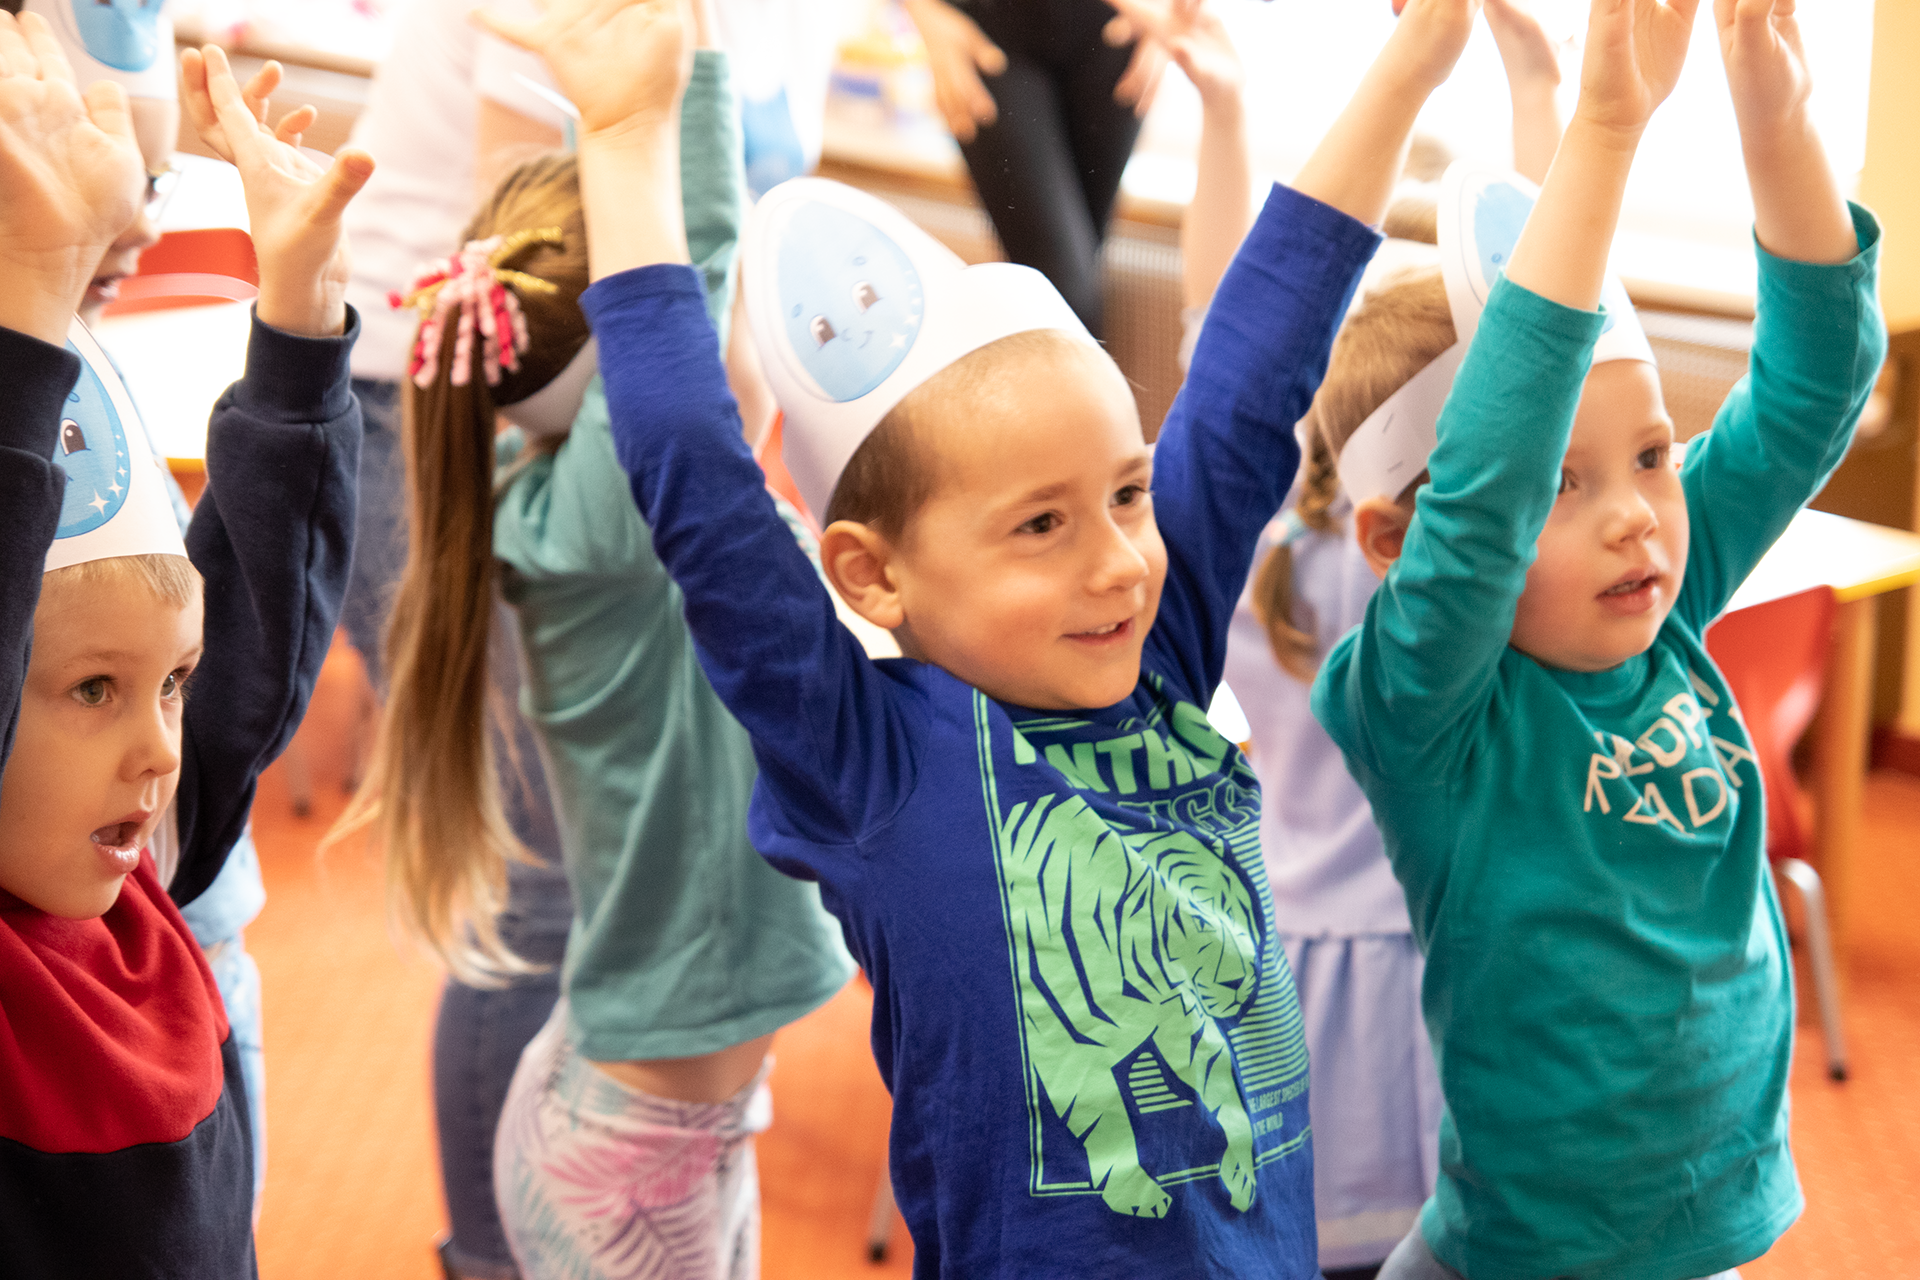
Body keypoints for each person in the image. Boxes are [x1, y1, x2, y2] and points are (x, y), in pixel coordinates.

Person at [480, 0, 1482, 1272]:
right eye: (1040, 524)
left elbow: (1255, 359)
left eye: (1128, 493)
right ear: (873, 574)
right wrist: (629, 136)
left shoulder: (1156, 659)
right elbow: (688, 464)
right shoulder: (871, 758)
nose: (1117, 560)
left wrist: (1412, 62)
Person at [1307, 0, 1885, 1273]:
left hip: (1711, 1234)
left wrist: (1774, 113)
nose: (1635, 516)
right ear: (1401, 542)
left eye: (1653, 455)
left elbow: (1812, 386)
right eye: (1559, 486)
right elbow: (1486, 489)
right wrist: (1607, 130)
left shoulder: (1661, 605)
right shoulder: (1426, 709)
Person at [336, 14, 854, 1278]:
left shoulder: (566, 499)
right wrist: (677, 85)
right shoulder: (609, 524)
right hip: (624, 1154)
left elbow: (683, 290)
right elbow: (691, 284)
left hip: (669, 1121)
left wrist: (677, 70)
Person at [0, 22, 370, 1276]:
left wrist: (301, 311)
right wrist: (28, 298)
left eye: (167, 685)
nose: (158, 747)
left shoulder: (143, 875)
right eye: (92, 689)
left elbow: (256, 624)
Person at [902, 0, 1167, 336]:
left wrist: (1169, 17)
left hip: (1112, 30)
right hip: (991, 35)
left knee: (1075, 284)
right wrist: (924, 12)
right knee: (1064, 296)